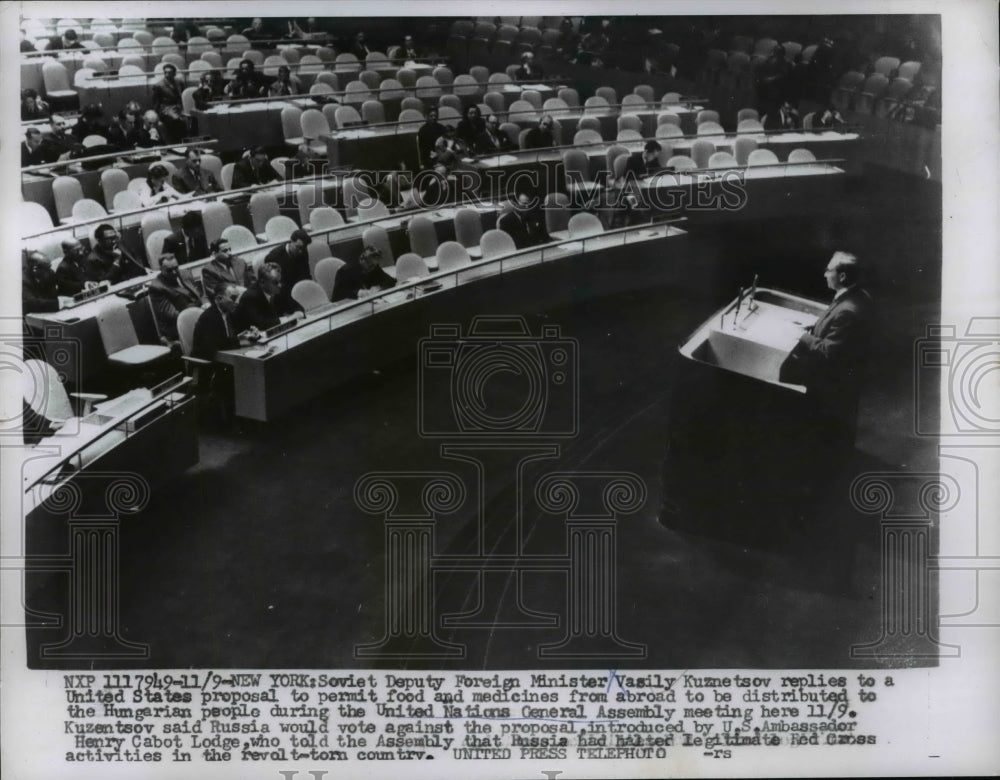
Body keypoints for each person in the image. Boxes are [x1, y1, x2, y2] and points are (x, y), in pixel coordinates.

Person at [780, 252, 873, 450]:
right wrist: (812, 329)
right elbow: (836, 330)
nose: (824, 274)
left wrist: (802, 336)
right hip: (846, 381)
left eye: (829, 270)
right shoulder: (857, 296)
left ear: (842, 277)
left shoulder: (847, 309)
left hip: (831, 383)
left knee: (824, 435)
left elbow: (828, 352)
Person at [147, 254, 204, 346]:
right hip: (178, 326)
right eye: (169, 270)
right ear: (161, 269)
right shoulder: (156, 287)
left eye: (176, 268)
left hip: (197, 317)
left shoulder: (185, 273)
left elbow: (199, 295)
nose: (174, 272)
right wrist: (198, 312)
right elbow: (172, 315)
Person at [232, 263, 302, 331]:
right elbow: (262, 324)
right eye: (275, 282)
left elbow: (298, 307)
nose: (280, 285)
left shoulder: (280, 289)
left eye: (280, 281)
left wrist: (299, 313)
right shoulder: (250, 297)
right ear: (262, 282)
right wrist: (288, 319)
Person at [192, 282, 242, 361]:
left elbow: (235, 336)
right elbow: (212, 350)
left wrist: (247, 335)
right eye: (233, 298)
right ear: (219, 299)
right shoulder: (208, 318)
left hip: (226, 356)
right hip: (208, 364)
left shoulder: (229, 312)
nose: (237, 302)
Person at [264, 228, 313, 295]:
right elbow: (274, 284)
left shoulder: (303, 251)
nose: (300, 251)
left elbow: (306, 274)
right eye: (298, 247)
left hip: (301, 290)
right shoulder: (273, 257)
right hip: (283, 294)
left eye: (303, 248)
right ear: (291, 241)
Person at [151, 63, 187, 142]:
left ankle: (186, 141)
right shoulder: (158, 86)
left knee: (189, 118)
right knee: (177, 120)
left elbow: (183, 97)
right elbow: (156, 103)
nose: (167, 75)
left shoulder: (179, 82)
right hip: (166, 109)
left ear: (174, 73)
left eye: (170, 72)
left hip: (178, 107)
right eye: (165, 72)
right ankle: (177, 143)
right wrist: (158, 115)